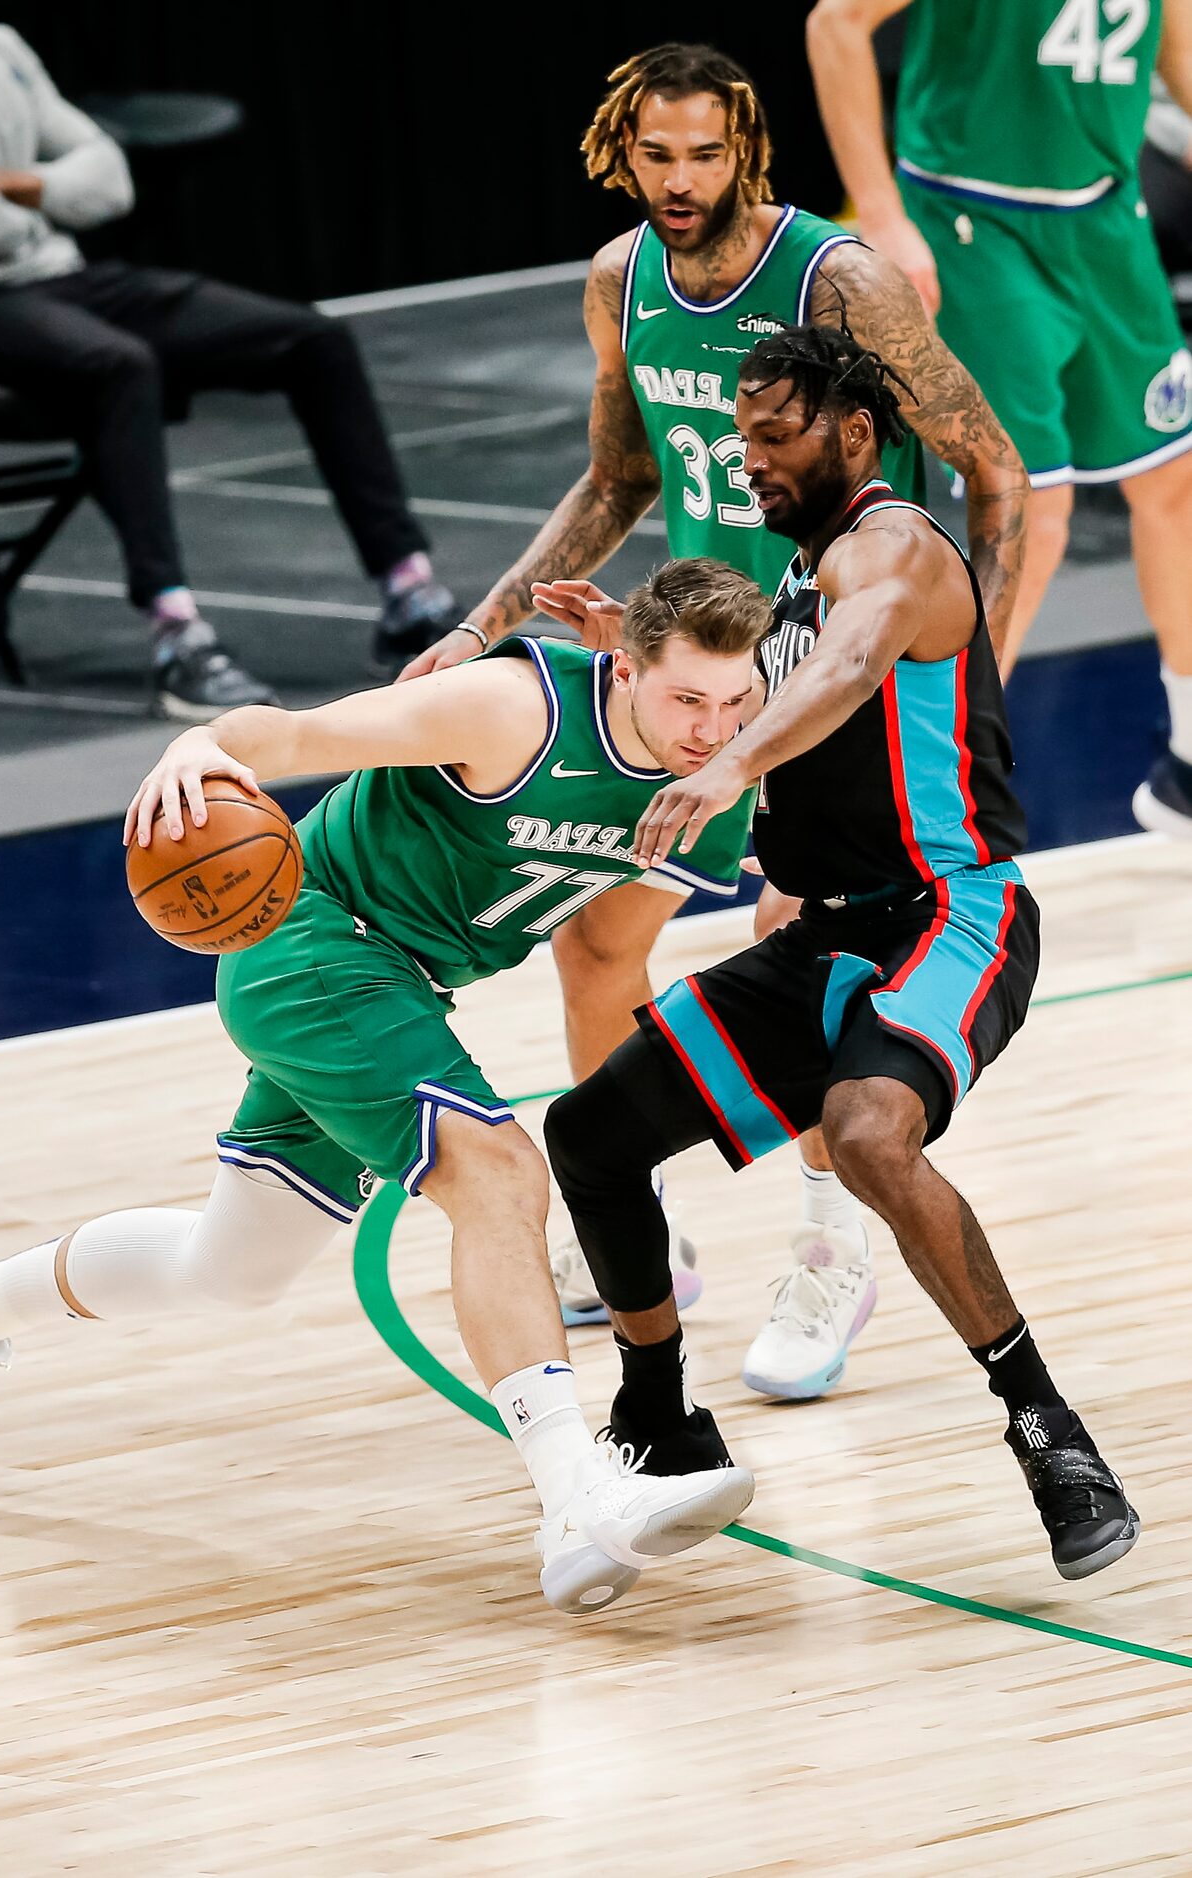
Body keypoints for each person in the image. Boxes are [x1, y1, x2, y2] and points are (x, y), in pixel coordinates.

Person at [0, 558, 768, 1617]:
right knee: (497, 1174)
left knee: (230, 1268)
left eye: (738, 702)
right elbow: (289, 737)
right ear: (622, 667)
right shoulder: (509, 707)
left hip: (400, 989)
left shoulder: (714, 788)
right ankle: (575, 1494)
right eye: (688, 700)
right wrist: (197, 746)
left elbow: (608, 955)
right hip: (312, 940)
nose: (713, 728)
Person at [403, 41, 1027, 1402]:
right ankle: (644, 1244)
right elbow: (619, 476)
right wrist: (478, 626)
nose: (679, 182)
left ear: (744, 146)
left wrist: (982, 662)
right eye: (654, 156)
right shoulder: (622, 278)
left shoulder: (835, 279)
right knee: (593, 946)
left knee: (809, 956)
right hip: (694, 676)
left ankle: (831, 1248)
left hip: (827, 679)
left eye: (703, 154)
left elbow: (993, 463)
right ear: (619, 153)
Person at [543, 323, 1139, 1583]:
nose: (746, 458)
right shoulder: (804, 578)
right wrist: (625, 653)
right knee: (589, 1135)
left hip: (952, 911)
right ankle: (657, 1413)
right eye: (741, 435)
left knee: (870, 1134)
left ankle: (1051, 1432)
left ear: (853, 433)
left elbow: (856, 661)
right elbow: (770, 679)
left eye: (773, 435)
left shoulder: (893, 549)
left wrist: (729, 768)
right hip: (828, 931)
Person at [0, 0, 456, 714]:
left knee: (314, 340)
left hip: (66, 281)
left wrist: (17, 183)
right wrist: (49, 195)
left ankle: (407, 589)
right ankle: (177, 635)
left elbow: (112, 181)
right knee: (119, 366)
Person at [807, 0, 1192, 838]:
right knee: (1030, 512)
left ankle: (1188, 767)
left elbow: (1178, 54)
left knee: (1175, 483)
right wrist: (881, 216)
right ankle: (941, 774)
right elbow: (834, 21)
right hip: (973, 222)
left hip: (1104, 221)